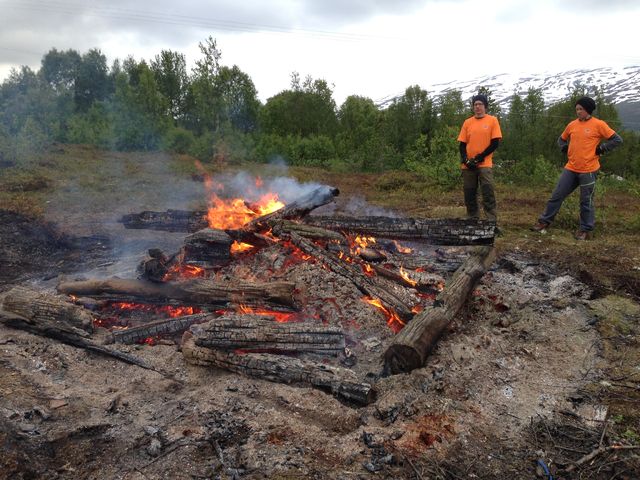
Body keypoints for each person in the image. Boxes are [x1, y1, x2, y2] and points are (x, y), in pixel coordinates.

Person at [531, 96, 623, 240]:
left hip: (589, 170)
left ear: (588, 110)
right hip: (571, 168)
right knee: (557, 195)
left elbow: (617, 139)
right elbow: (561, 139)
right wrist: (564, 147)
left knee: (586, 201)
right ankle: (543, 222)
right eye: (577, 109)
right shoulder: (572, 125)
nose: (578, 112)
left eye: (581, 109)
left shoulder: (599, 124)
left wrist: (602, 149)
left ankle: (585, 230)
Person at [457, 94, 502, 230]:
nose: (477, 107)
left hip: (484, 164)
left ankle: (491, 223)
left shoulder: (492, 120)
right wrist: (466, 160)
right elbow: (462, 144)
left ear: (485, 106)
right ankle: (472, 219)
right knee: (469, 193)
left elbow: (495, 143)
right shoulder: (467, 122)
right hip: (468, 165)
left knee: (487, 192)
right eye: (475, 104)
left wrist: (480, 157)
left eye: (480, 104)